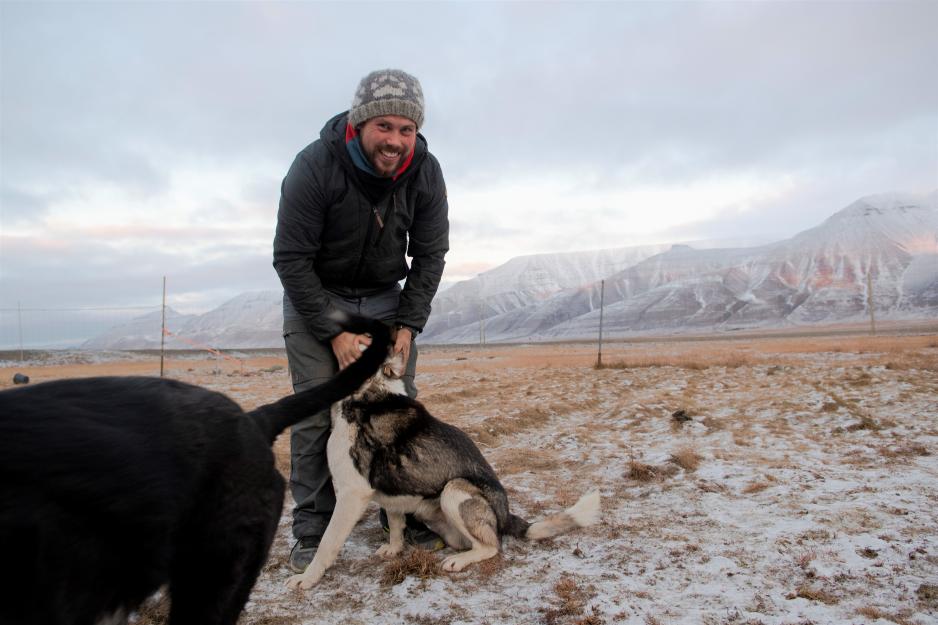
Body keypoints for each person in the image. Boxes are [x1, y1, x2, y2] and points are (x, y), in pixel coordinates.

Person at [273, 69, 449, 573]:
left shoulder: (426, 172)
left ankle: (404, 510)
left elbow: (431, 254)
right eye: (385, 127)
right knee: (316, 414)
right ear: (360, 123)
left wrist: (408, 324)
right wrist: (335, 330)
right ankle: (311, 526)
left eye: (407, 130)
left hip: (384, 297)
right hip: (316, 295)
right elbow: (290, 258)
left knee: (398, 408)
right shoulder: (314, 166)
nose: (395, 140)